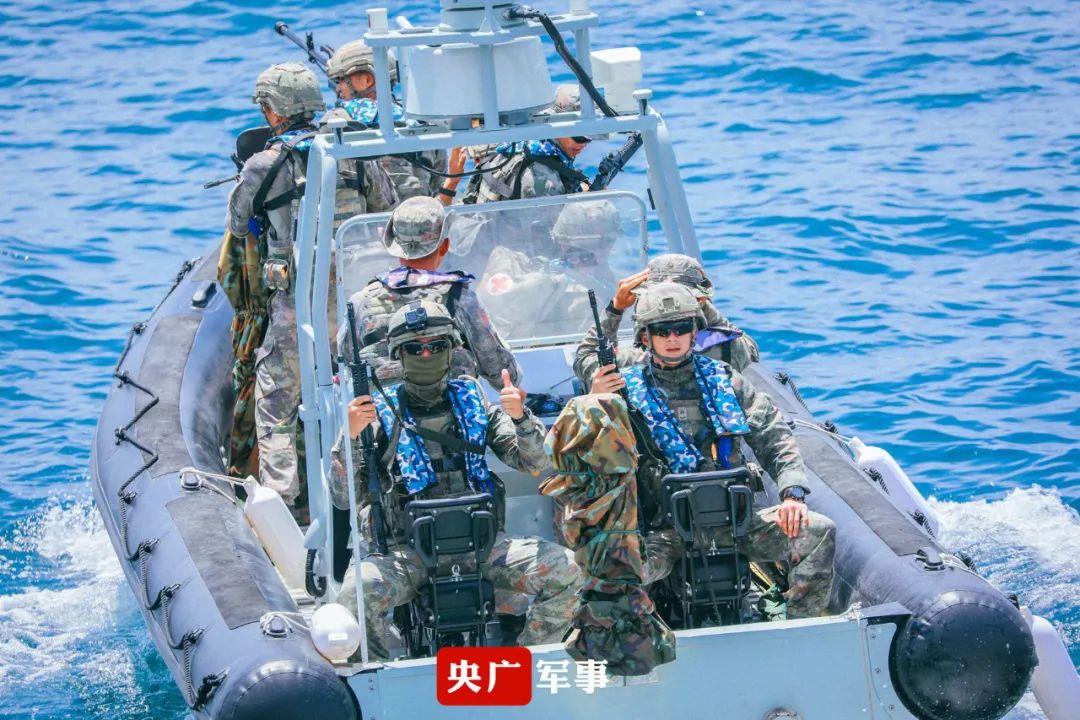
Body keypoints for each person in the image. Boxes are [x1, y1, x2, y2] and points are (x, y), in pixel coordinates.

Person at [332, 300, 582, 659]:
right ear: (398, 355)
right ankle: (380, 680)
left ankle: (526, 666)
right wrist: (351, 435)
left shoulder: (474, 403)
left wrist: (521, 418)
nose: (426, 355)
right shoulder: (375, 414)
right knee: (355, 594)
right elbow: (343, 497)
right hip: (409, 555)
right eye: (415, 349)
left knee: (569, 571)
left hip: (483, 547)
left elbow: (535, 462)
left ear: (451, 350)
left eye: (436, 346)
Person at [582, 282, 835, 618]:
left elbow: (774, 437)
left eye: (681, 328)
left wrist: (793, 494)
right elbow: (589, 450)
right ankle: (640, 638)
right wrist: (597, 401)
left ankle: (801, 626)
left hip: (735, 524)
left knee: (818, 530)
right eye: (662, 331)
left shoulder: (726, 382)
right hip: (664, 532)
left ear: (694, 332)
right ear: (646, 336)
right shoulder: (624, 390)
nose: (673, 338)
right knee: (610, 572)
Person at [224, 63, 326, 512]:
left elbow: (237, 223)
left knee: (275, 401)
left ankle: (282, 507)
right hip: (353, 298)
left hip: (299, 301)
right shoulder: (346, 151)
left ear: (276, 112)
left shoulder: (264, 164)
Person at [345, 196, 521, 388]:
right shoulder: (460, 298)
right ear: (445, 246)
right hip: (451, 407)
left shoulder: (359, 302)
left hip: (386, 407)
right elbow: (501, 372)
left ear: (394, 248)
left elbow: (347, 364)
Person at [574, 253, 761, 390]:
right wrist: (700, 304)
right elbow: (750, 350)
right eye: (663, 332)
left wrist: (616, 308)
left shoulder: (631, 362)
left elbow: (585, 361)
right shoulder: (725, 352)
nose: (672, 338)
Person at [477, 199, 622, 339]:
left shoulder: (611, 281)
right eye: (604, 243)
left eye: (610, 242)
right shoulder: (575, 297)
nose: (609, 248)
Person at [324, 39, 446, 202]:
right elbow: (439, 188)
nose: (338, 88)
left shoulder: (335, 124)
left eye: (341, 80)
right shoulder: (422, 122)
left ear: (367, 80)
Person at [465, 84, 591, 203]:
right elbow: (542, 220)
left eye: (590, 136)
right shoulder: (543, 178)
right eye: (579, 137)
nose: (585, 144)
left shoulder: (522, 139)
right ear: (559, 127)